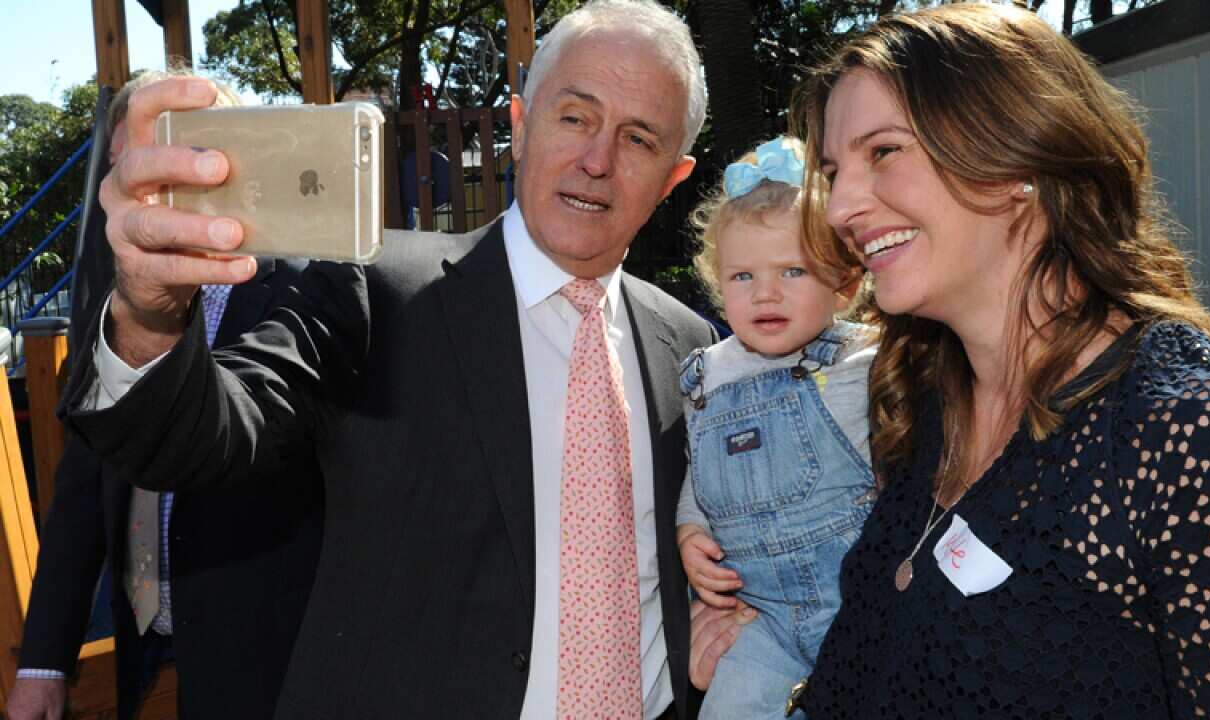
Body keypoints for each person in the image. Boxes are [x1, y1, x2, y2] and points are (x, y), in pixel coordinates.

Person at [58, 0, 721, 716]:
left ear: (672, 177)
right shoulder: (376, 293)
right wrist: (150, 314)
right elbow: (203, 436)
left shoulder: (692, 350)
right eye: (574, 117)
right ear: (522, 125)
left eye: (638, 138)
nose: (597, 161)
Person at [772, 4, 1210, 717]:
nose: (839, 208)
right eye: (833, 171)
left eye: (883, 151)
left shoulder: (1204, 436)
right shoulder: (921, 400)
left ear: (1018, 158)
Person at [7, 71, 324, 720]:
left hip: (267, 672)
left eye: (166, 161)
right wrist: (43, 663)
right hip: (139, 650)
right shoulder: (110, 301)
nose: (139, 189)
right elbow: (83, 488)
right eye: (124, 167)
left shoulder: (306, 286)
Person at [673, 136, 876, 719]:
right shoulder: (706, 377)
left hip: (858, 606)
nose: (766, 293)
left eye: (793, 270)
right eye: (742, 276)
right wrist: (690, 533)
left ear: (845, 282)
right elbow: (699, 471)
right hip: (758, 619)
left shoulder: (862, 364)